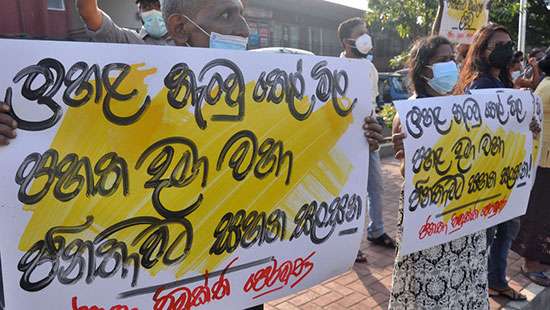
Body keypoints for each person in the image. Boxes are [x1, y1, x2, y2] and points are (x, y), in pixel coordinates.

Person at [389, 36, 489, 309]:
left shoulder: (467, 105)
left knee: (466, 280)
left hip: (465, 214)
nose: (451, 65)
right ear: (424, 69)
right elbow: (406, 172)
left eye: (452, 59)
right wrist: (406, 156)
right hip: (429, 216)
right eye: (443, 60)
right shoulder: (410, 112)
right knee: (426, 286)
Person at [454, 23, 527, 301]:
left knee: (503, 229)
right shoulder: (482, 84)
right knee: (493, 232)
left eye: (509, 44)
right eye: (500, 45)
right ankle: (487, 283)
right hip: (489, 176)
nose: (507, 50)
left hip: (501, 173)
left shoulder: (501, 82)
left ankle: (491, 280)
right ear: (482, 51)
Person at [338, 17, 396, 265]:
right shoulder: (334, 69)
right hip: (344, 141)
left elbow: (372, 105)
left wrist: (377, 125)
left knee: (376, 186)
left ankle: (377, 230)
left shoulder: (370, 69)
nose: (366, 38)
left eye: (367, 33)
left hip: (369, 139)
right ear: (346, 41)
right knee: (350, 193)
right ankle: (349, 243)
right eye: (360, 34)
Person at [511, 52, 550, 287]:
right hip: (543, 161)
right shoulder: (547, 86)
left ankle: (541, 259)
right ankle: (531, 263)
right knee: (538, 212)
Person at [77, 0, 171, 45]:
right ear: (139, 12)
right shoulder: (128, 40)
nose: (153, 11)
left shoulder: (184, 41)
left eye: (159, 6)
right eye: (146, 7)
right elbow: (88, 12)